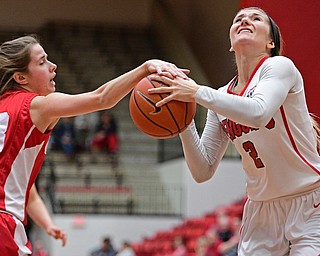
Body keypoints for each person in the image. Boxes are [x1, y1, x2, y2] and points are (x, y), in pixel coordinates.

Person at [149, 7, 320, 255]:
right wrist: (183, 120)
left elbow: (258, 112)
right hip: (261, 210)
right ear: (231, 43)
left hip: (309, 202)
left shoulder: (280, 67)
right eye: (238, 19)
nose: (245, 20)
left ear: (271, 42)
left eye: (256, 18)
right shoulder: (220, 97)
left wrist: (196, 92)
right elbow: (202, 170)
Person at [0, 35, 188, 256]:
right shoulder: (38, 106)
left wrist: (47, 224)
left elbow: (26, 190)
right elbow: (101, 98)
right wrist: (145, 69)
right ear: (21, 77)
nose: (53, 67)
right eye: (42, 62)